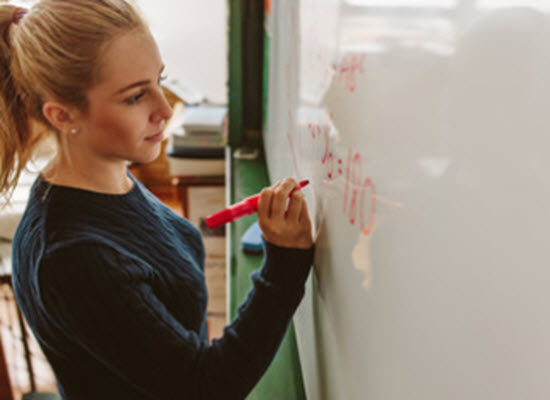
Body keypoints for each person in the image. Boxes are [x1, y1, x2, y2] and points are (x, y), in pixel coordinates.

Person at [0, 1, 314, 399]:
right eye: (135, 97)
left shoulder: (108, 177)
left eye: (159, 80)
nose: (165, 109)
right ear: (63, 116)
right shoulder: (72, 255)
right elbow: (205, 387)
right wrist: (284, 266)